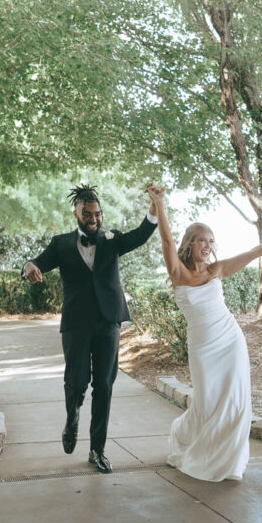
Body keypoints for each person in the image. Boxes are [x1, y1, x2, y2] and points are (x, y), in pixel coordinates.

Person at [145, 183, 262, 481]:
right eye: (202, 240)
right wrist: (160, 204)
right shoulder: (179, 273)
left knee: (237, 402)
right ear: (190, 243)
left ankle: (229, 462)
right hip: (203, 346)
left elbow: (253, 252)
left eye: (211, 241)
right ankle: (190, 441)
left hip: (230, 340)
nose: (208, 245)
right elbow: (165, 241)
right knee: (207, 402)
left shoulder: (217, 270)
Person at [22, 185, 158, 473]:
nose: (94, 218)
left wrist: (155, 206)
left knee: (104, 386)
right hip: (76, 323)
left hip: (108, 321)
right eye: (87, 214)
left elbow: (142, 234)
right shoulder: (61, 244)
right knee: (76, 381)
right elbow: (38, 262)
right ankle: (72, 418)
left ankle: (97, 449)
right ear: (76, 214)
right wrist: (28, 266)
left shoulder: (113, 240)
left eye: (97, 213)